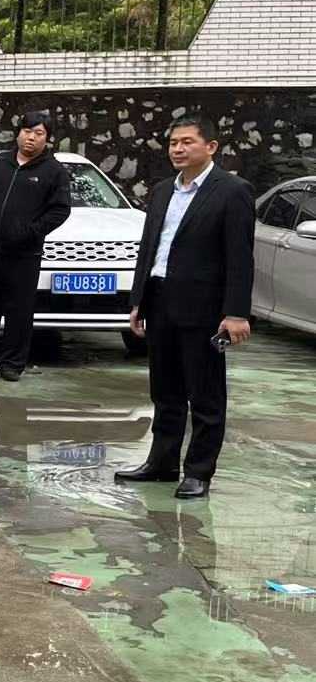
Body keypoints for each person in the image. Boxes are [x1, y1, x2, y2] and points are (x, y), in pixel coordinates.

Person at [115, 116, 254, 499]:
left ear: (211, 147)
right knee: (165, 391)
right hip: (160, 301)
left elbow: (240, 257)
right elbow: (150, 248)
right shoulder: (163, 191)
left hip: (204, 308)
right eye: (173, 142)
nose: (178, 148)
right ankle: (161, 463)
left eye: (187, 141)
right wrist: (138, 300)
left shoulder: (232, 191)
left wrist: (236, 312)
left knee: (205, 396)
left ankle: (198, 472)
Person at [0, 109, 72, 382]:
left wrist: (31, 232)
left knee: (19, 312)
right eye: (27, 131)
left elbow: (60, 210)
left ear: (47, 138)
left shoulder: (53, 172)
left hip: (25, 255)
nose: (31, 137)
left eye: (38, 133)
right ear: (18, 133)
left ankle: (11, 365)